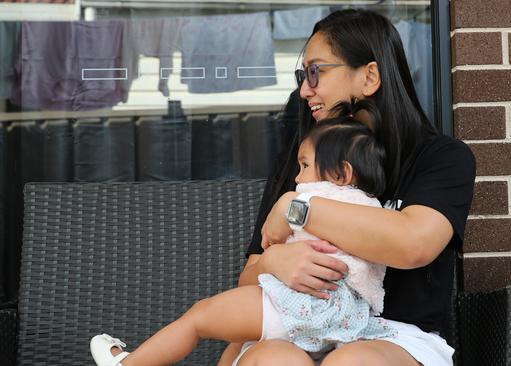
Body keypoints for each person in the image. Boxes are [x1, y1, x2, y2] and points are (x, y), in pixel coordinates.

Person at [218, 8, 476, 366]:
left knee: (351, 362)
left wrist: (298, 209)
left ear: (369, 77)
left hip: (395, 337)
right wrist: (274, 262)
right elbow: (248, 282)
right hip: (294, 328)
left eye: (315, 72)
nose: (305, 89)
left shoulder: (439, 157)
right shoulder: (302, 161)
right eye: (302, 75)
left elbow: (413, 243)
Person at [89, 102, 401, 366]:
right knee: (238, 341)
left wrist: (280, 233)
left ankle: (129, 363)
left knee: (199, 318)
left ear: (340, 173)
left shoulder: (312, 200)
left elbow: (269, 243)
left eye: (304, 165)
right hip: (344, 322)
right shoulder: (372, 212)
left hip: (298, 305)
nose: (297, 177)